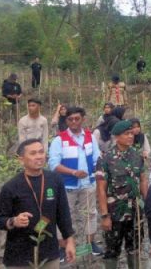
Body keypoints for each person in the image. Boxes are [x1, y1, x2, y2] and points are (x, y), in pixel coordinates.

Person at [0, 139, 76, 268]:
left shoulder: (55, 180)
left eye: (41, 152)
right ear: (21, 160)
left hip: (49, 253)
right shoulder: (11, 187)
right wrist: (13, 221)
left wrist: (69, 241)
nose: (38, 156)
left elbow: (63, 214)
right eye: (33, 153)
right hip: (20, 256)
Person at [48, 106, 103, 257]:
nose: (73, 122)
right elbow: (54, 164)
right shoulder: (59, 140)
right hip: (67, 185)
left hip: (88, 183)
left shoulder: (90, 137)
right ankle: (62, 247)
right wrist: (73, 172)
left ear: (83, 119)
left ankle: (90, 244)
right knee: (65, 216)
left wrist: (98, 173)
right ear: (66, 121)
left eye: (77, 119)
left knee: (90, 214)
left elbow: (97, 157)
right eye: (70, 119)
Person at [96, 120, 149, 269]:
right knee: (112, 251)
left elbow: (143, 181)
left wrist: (148, 203)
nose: (131, 136)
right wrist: (105, 215)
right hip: (115, 214)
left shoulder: (137, 156)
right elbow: (101, 189)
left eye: (132, 133)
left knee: (135, 249)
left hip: (136, 212)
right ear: (116, 137)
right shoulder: (105, 159)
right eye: (127, 134)